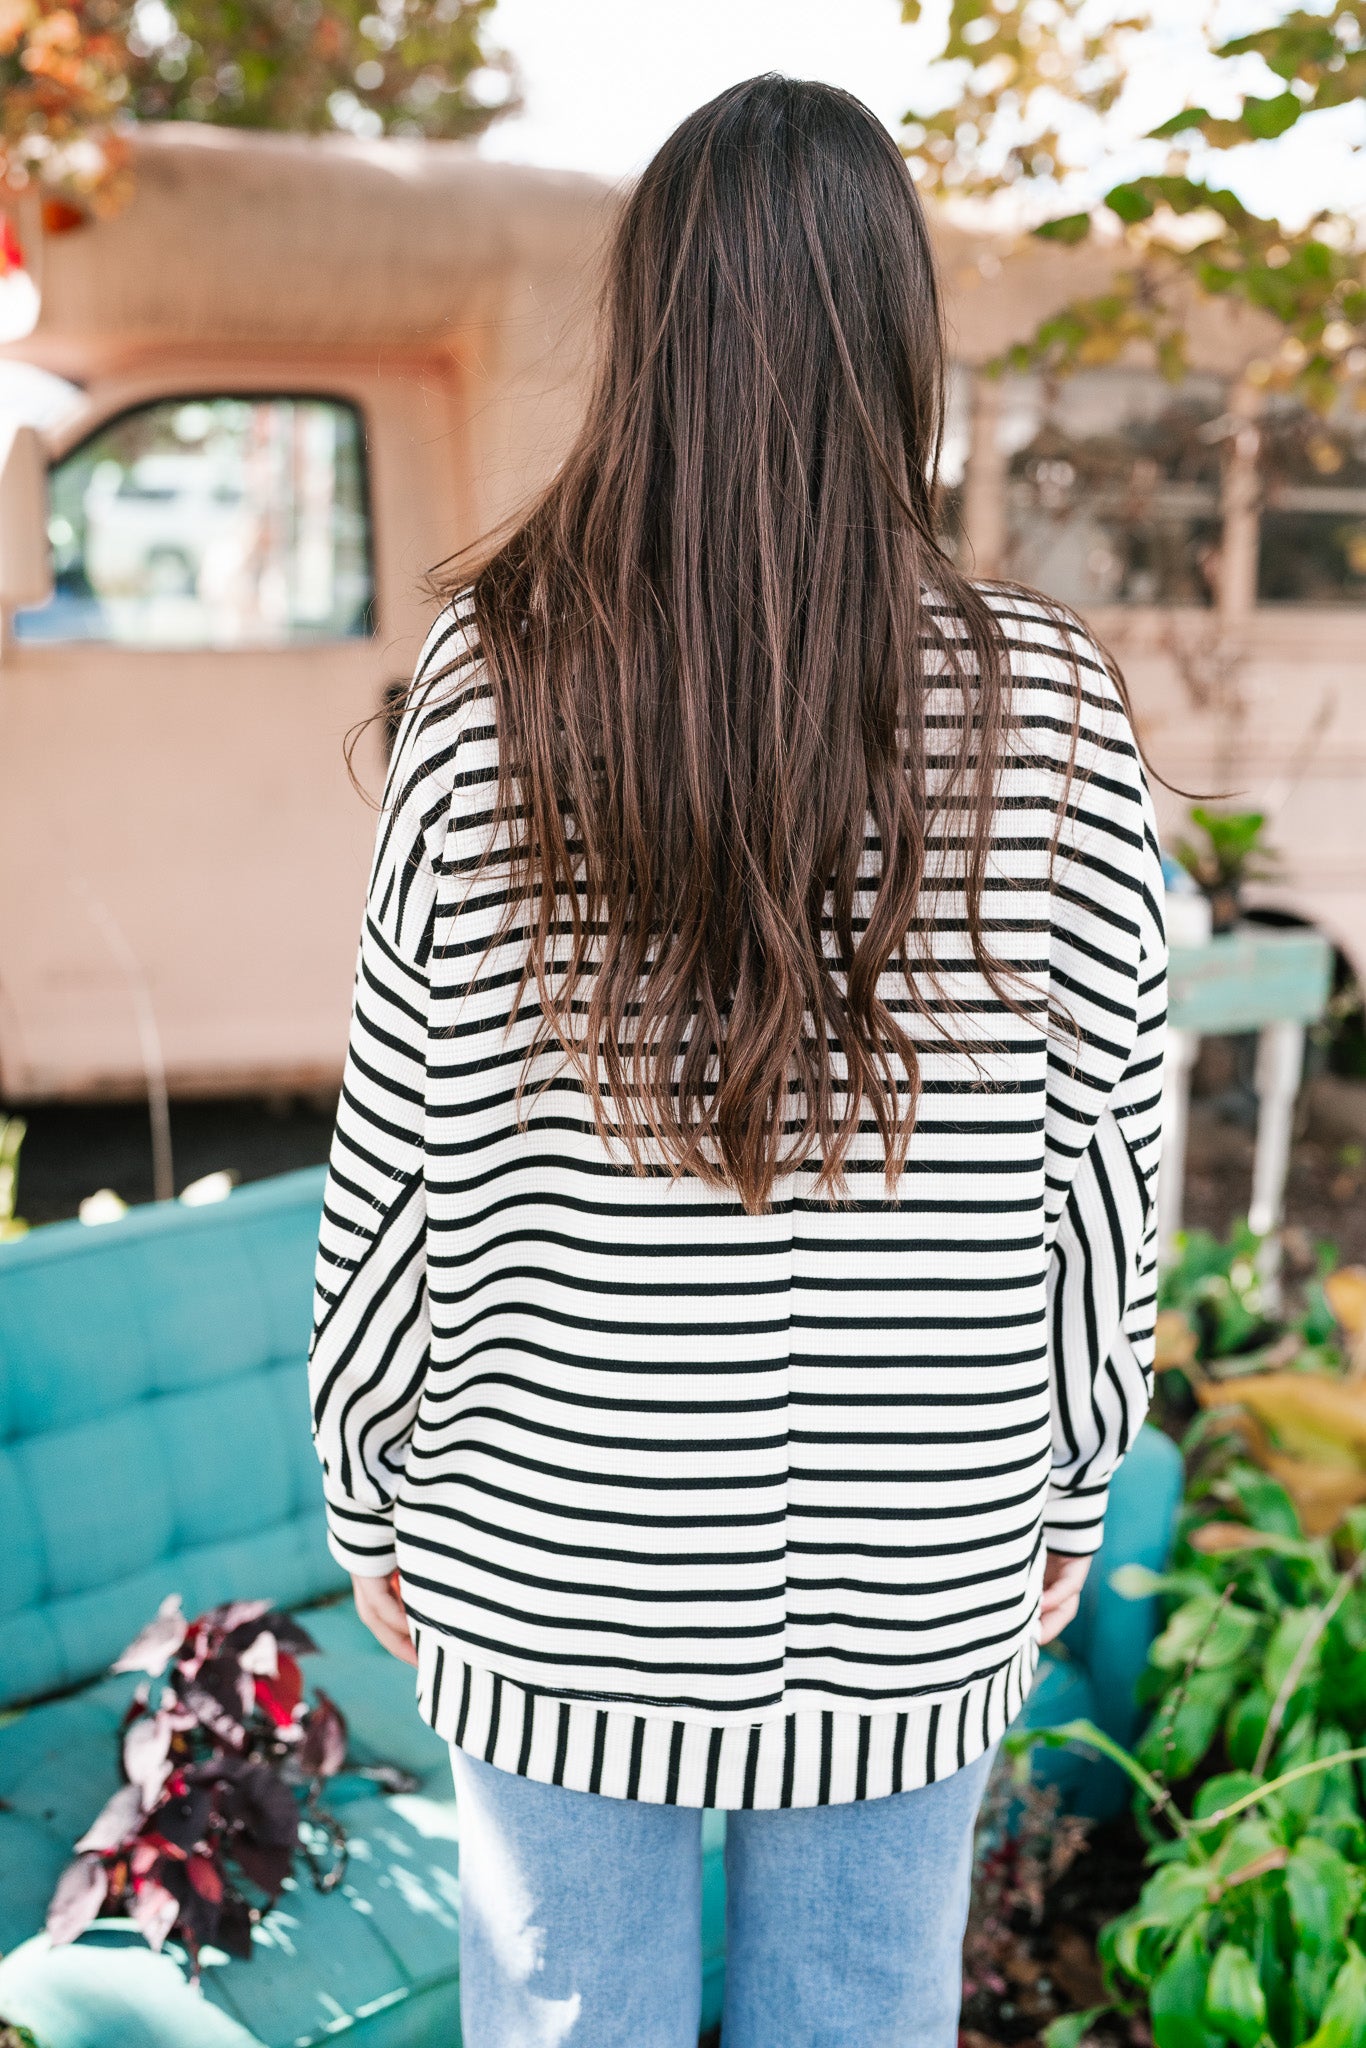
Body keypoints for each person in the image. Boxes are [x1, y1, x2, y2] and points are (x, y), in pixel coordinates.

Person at [309, 74, 1166, 2048]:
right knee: (852, 2015)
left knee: (564, 2020)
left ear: (653, 328)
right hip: (912, 1555)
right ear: (896, 341)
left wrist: (368, 1480)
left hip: (552, 1544)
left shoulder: (499, 678)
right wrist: (1062, 1489)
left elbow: (402, 1145)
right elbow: (1100, 1169)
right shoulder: (1043, 705)